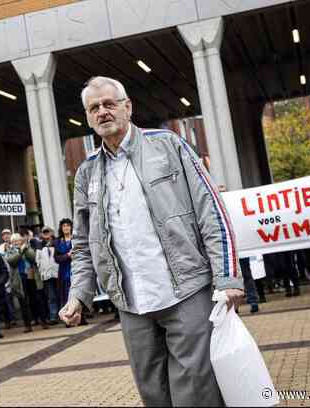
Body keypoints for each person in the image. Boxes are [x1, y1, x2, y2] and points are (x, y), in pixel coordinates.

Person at [59, 76, 244, 406]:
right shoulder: (87, 172)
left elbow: (211, 211)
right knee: (154, 394)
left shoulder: (168, 145)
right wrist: (78, 295)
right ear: (87, 117)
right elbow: (84, 243)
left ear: (127, 107)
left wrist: (227, 278)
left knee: (196, 395)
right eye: (94, 108)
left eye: (109, 104)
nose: (102, 112)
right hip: (131, 303)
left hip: (186, 292)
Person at [4, 233, 35, 333]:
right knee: (23, 302)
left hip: (30, 276)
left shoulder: (26, 247)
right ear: (12, 242)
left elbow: (33, 258)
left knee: (35, 299)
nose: (16, 242)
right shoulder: (9, 251)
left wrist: (25, 249)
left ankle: (41, 320)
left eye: (18, 240)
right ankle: (27, 325)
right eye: (14, 241)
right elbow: (12, 261)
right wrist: (20, 252)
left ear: (21, 241)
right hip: (19, 278)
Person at [19, 230, 49, 329]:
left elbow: (34, 258)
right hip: (22, 276)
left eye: (24, 236)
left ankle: (43, 320)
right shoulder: (15, 247)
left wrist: (25, 249)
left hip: (34, 276)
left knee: (38, 298)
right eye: (21, 236)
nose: (23, 238)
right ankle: (32, 321)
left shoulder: (33, 244)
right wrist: (20, 250)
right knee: (26, 301)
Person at [37, 226, 60, 325]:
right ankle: (53, 316)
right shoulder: (40, 245)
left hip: (58, 272)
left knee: (61, 294)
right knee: (51, 296)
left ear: (52, 232)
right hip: (47, 274)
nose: (46, 234)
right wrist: (42, 272)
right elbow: (38, 260)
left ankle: (63, 314)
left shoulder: (57, 242)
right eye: (44, 232)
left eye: (48, 232)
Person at [54, 219, 73, 310]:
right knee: (65, 294)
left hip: (76, 269)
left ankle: (80, 316)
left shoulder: (76, 238)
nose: (66, 228)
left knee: (76, 293)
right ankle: (68, 316)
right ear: (61, 228)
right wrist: (67, 255)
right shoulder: (58, 241)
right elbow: (56, 258)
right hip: (64, 271)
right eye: (64, 226)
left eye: (68, 226)